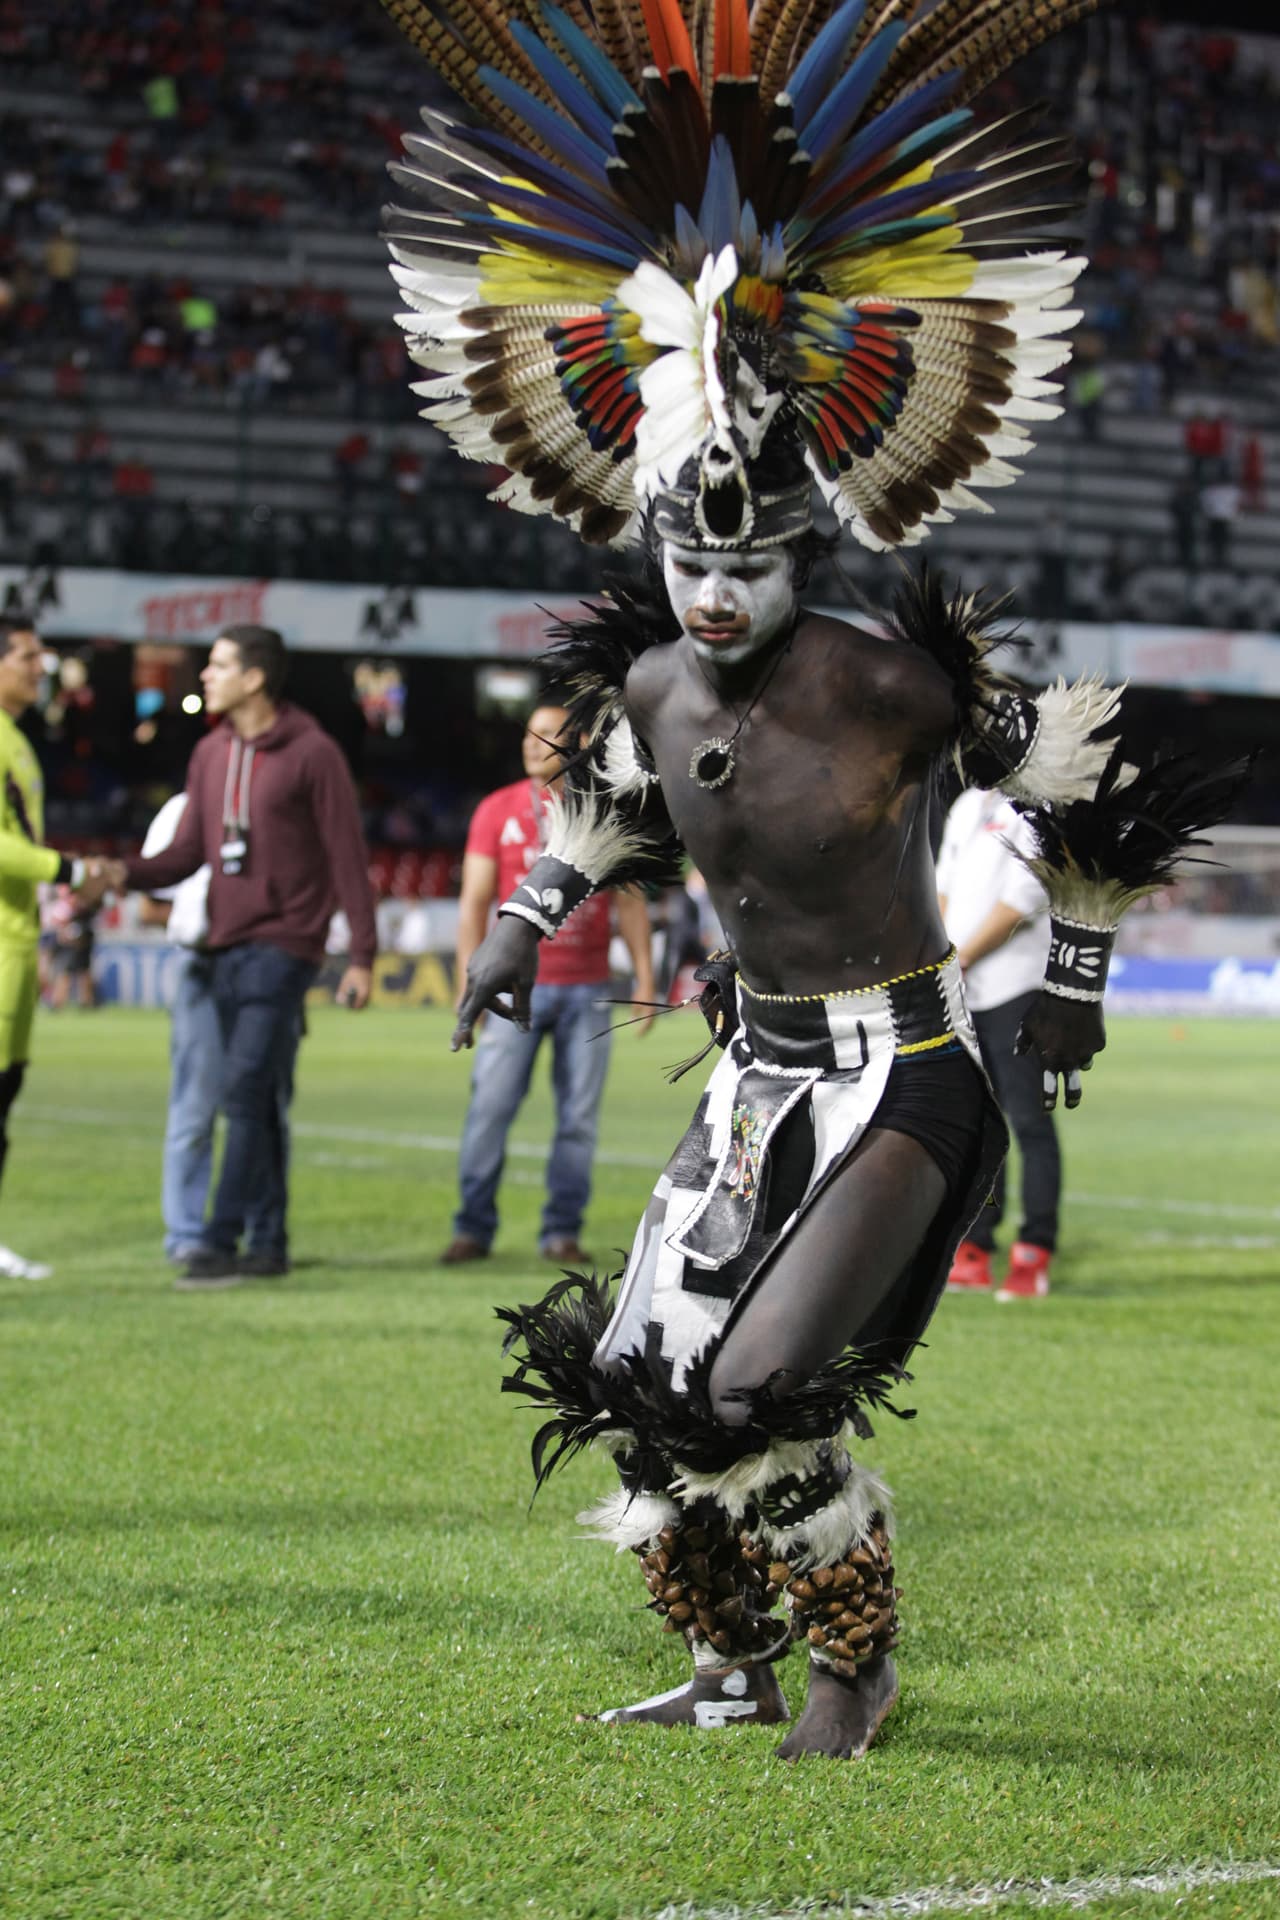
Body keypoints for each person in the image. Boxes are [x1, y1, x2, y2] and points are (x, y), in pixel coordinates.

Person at [384, 0, 1243, 1762]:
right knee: (639, 1396)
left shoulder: (885, 679)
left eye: (746, 558)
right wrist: (532, 919)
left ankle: (856, 1654)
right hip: (758, 1063)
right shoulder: (644, 685)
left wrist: (1070, 978)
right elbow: (619, 805)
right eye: (686, 559)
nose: (711, 594)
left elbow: (1088, 783)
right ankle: (728, 1663)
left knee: (762, 1391)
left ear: (804, 539)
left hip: (909, 1073)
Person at [109, 625, 377, 1290]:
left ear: (254, 678)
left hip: (285, 947)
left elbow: (348, 858)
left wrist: (362, 956)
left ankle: (217, 1243)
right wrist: (117, 874)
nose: (205, 675)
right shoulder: (209, 754)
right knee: (256, 1100)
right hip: (224, 946)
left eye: (218, 665)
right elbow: (186, 855)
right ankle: (270, 1241)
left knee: (242, 1091)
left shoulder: (314, 754)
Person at [441, 703, 658, 1268]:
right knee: (490, 1108)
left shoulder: (606, 807)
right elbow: (473, 906)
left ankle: (561, 1232)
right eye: (529, 736)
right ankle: (472, 1229)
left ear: (579, 741)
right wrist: (472, 981)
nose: (534, 745)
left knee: (578, 1120)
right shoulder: (496, 809)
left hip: (588, 989)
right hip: (512, 990)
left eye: (549, 735)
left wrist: (646, 978)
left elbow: (631, 906)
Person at [137, 792, 297, 1271]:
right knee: (196, 1104)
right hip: (204, 964)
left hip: (272, 965)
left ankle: (262, 1234)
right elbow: (151, 905)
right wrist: (210, 921)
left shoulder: (284, 801)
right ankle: (187, 1235)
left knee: (268, 1106)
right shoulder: (184, 808)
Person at [0, 617, 111, 1278]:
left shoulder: (16, 737)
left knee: (8, 1089)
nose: (40, 666)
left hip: (16, 939)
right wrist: (68, 870)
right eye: (25, 656)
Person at [936, 787, 1060, 1300]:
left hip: (1017, 988)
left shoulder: (1043, 807)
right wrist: (941, 957)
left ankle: (1033, 1253)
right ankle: (975, 1248)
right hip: (961, 990)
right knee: (977, 1124)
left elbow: (1019, 903)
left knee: (1028, 1122)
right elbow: (943, 887)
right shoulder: (969, 804)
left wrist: (957, 959)